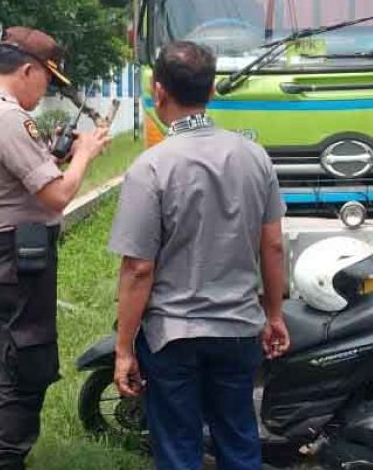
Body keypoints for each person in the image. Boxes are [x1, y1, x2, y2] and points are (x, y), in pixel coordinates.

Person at [108, 40, 290, 470]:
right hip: (240, 330)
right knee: (239, 438)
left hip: (173, 335)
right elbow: (274, 245)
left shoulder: (151, 167)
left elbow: (138, 268)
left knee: (178, 447)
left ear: (159, 91)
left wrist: (123, 349)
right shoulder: (254, 157)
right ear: (212, 92)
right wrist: (275, 314)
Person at [0, 26, 110, 469]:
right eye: (46, 80)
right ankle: (3, 459)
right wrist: (84, 155)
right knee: (28, 360)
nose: (45, 93)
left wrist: (52, 158)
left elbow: (12, 178)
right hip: (18, 255)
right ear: (27, 70)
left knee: (4, 350)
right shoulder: (8, 118)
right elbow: (57, 197)